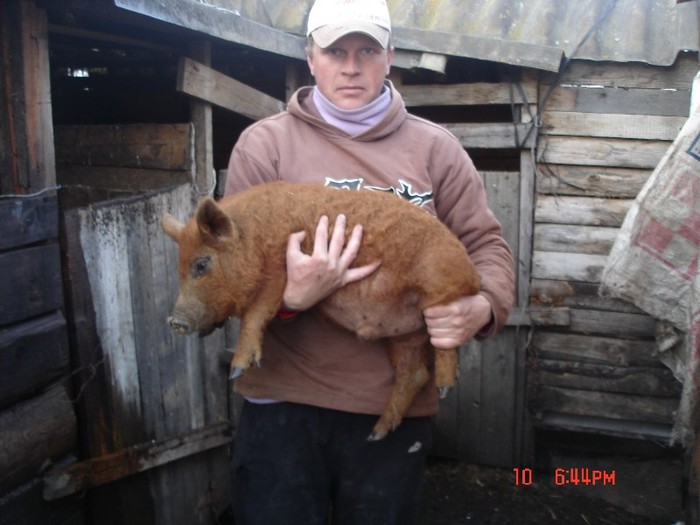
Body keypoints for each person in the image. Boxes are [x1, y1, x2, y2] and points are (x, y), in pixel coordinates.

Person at [224, 0, 515, 523]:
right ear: (310, 57)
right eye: (335, 50)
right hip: (284, 400)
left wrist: (484, 305)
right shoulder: (264, 146)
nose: (351, 66)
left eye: (366, 51)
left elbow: (486, 245)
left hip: (393, 404)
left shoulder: (436, 150)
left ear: (390, 57)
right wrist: (291, 301)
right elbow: (232, 269)